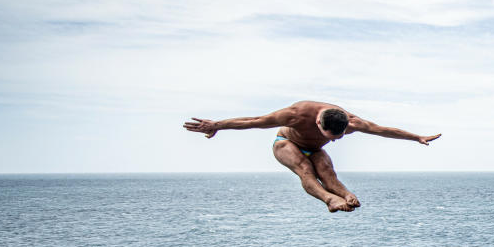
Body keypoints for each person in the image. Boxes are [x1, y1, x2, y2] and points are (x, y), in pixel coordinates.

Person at [184, 101, 441, 212]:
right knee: (305, 169)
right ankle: (329, 199)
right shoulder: (296, 114)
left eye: (336, 138)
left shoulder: (352, 121)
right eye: (328, 135)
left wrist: (416, 137)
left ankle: (345, 195)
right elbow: (255, 120)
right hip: (286, 143)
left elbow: (383, 130)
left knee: (328, 172)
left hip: (314, 150)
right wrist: (217, 124)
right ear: (319, 121)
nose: (332, 140)